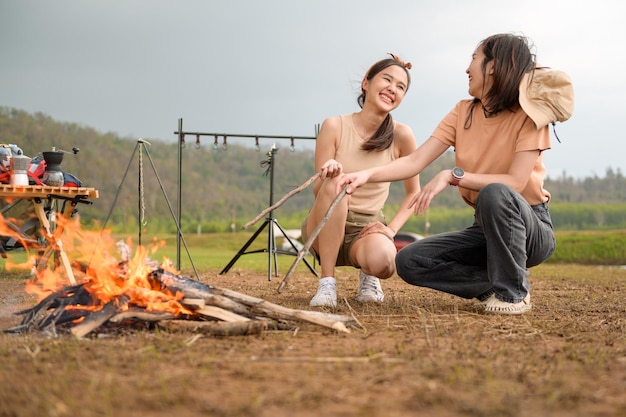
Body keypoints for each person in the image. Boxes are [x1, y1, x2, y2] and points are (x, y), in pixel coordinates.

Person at [338, 33, 574, 314]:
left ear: (493, 67)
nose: (467, 68)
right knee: (410, 260)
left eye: (474, 59)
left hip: (529, 227)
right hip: (484, 228)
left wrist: (453, 175)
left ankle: (513, 295)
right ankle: (492, 286)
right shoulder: (463, 112)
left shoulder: (530, 115)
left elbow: (515, 182)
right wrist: (366, 175)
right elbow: (415, 161)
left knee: (495, 192)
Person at [304, 53, 421, 308]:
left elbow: (413, 193)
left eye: (401, 87)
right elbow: (317, 190)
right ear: (366, 83)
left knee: (385, 262)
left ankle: (368, 275)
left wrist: (390, 231)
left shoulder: (402, 135)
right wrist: (331, 175)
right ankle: (327, 284)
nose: (393, 89)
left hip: (366, 229)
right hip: (324, 223)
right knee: (338, 184)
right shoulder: (334, 126)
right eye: (387, 80)